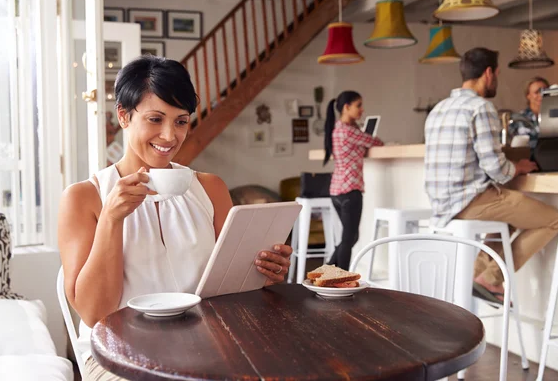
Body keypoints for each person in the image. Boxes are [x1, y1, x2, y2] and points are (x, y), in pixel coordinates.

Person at [58, 56, 293, 380]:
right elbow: (95, 312)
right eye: (155, 119)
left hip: (207, 346)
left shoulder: (210, 187)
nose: (169, 136)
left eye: (181, 121)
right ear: (124, 116)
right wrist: (112, 218)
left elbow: (234, 286)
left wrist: (266, 272)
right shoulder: (83, 198)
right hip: (120, 356)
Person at [425, 47, 558, 304]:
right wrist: (518, 167)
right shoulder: (481, 107)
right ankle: (491, 279)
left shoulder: (439, 109)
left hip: (441, 204)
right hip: (469, 201)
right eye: (497, 73)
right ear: (488, 73)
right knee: (553, 219)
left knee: (512, 217)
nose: (496, 79)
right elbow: (495, 169)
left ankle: (477, 275)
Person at [323, 91, 383, 270]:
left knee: (350, 238)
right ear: (346, 107)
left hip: (337, 191)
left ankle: (325, 272)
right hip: (350, 191)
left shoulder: (338, 129)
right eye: (358, 105)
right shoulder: (348, 131)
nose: (362, 110)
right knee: (348, 239)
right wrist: (361, 131)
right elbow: (376, 142)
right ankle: (340, 279)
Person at [508, 76, 550, 149]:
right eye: (537, 92)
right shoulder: (517, 119)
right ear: (528, 95)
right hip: (527, 159)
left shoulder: (555, 118)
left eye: (545, 91)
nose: (541, 95)